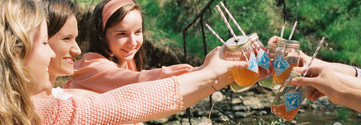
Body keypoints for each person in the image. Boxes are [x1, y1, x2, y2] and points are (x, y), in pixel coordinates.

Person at [0, 0, 248, 124]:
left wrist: (218, 75)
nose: (72, 49)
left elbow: (128, 99)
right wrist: (207, 72)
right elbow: (130, 97)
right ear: (14, 52)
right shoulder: (46, 110)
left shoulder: (55, 101)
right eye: (46, 42)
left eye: (138, 32)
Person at [64, 0, 198, 93]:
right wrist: (199, 71)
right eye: (122, 34)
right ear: (101, 34)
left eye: (138, 32)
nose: (133, 42)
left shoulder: (126, 60)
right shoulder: (92, 67)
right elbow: (139, 82)